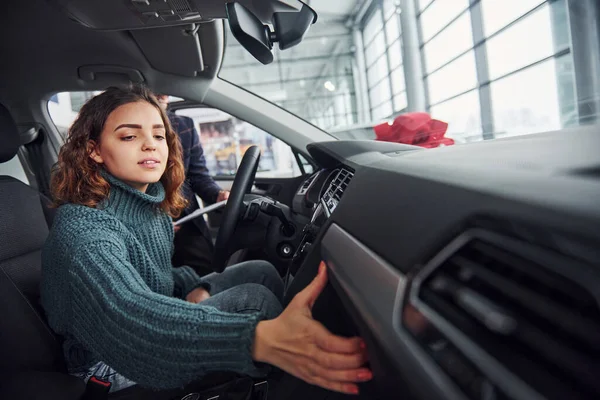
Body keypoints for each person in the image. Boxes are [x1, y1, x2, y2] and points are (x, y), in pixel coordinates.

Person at [40, 85, 371, 396]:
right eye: (129, 136)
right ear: (94, 150)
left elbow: (158, 281)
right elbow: (131, 318)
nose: (150, 144)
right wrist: (258, 339)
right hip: (105, 364)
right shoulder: (85, 233)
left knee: (258, 271)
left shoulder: (150, 211)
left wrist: (195, 287)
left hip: (146, 317)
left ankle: (297, 356)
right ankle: (289, 382)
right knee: (255, 300)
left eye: (158, 135)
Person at [156, 93, 228, 276]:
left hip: (185, 218)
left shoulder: (184, 126)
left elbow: (198, 176)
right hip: (150, 222)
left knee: (207, 273)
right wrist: (153, 224)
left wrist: (218, 195)